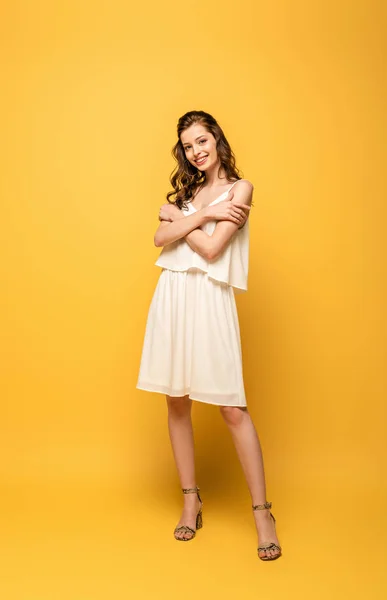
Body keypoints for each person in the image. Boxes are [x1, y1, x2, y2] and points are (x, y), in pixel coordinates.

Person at [136, 110, 282, 561]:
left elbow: (214, 250)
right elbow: (160, 241)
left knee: (232, 409)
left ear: (216, 139)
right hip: (173, 295)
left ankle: (262, 514)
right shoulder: (189, 193)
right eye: (188, 146)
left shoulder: (240, 190)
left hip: (211, 298)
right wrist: (203, 214)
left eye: (202, 141)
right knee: (176, 401)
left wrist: (186, 218)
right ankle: (190, 499)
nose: (197, 152)